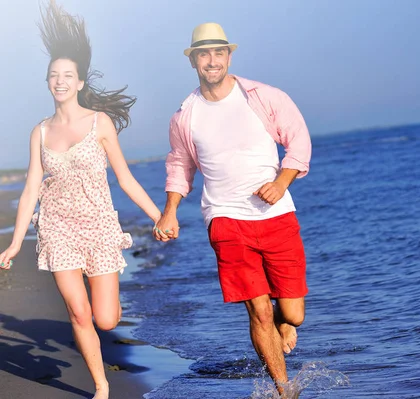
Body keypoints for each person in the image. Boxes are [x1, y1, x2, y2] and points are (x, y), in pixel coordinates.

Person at [0, 2, 162, 398]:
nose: (59, 81)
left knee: (106, 319)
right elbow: (31, 191)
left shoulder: (99, 123)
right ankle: (101, 386)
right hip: (57, 230)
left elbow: (124, 178)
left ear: (80, 82)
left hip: (100, 227)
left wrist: (160, 216)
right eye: (54, 75)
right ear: (48, 82)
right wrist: (16, 242)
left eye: (67, 75)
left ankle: (109, 304)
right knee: (78, 311)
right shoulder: (39, 132)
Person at [154, 22, 312, 395]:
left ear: (229, 56)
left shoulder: (263, 96)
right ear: (193, 60)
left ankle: (283, 322)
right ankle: (283, 389)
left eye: (219, 53)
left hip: (276, 216)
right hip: (225, 219)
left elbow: (299, 140)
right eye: (204, 54)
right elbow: (180, 165)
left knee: (292, 314)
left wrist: (281, 182)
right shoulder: (185, 116)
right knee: (258, 311)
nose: (212, 61)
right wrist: (170, 211)